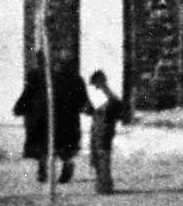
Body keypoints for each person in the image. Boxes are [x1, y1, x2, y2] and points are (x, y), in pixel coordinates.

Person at [15, 55, 86, 186]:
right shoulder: (73, 78)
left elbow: (27, 94)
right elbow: (83, 100)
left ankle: (57, 168)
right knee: (54, 145)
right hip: (57, 118)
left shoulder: (39, 76)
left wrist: (19, 107)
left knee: (51, 145)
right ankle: (50, 168)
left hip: (52, 118)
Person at [82, 69, 131, 195]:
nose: (95, 87)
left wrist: (94, 111)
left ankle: (104, 186)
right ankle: (102, 184)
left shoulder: (107, 95)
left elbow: (114, 107)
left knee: (102, 156)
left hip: (103, 129)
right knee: (100, 155)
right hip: (101, 128)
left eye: (96, 84)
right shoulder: (105, 94)